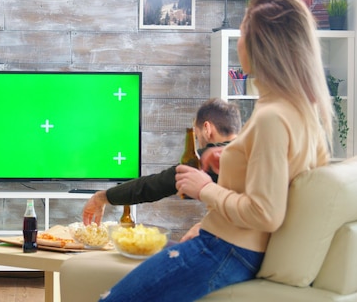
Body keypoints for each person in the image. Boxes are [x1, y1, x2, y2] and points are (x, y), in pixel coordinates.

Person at [97, 0, 333, 301]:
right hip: (228, 245)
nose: (238, 43)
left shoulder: (272, 117)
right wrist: (236, 158)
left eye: (243, 33)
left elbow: (265, 213)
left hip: (226, 249)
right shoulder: (299, 108)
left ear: (259, 46)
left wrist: (203, 188)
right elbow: (292, 180)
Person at [82, 98, 241, 228]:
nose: (198, 143)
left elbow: (154, 186)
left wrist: (102, 197)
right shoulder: (247, 155)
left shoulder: (212, 156)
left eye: (197, 136)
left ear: (207, 128)